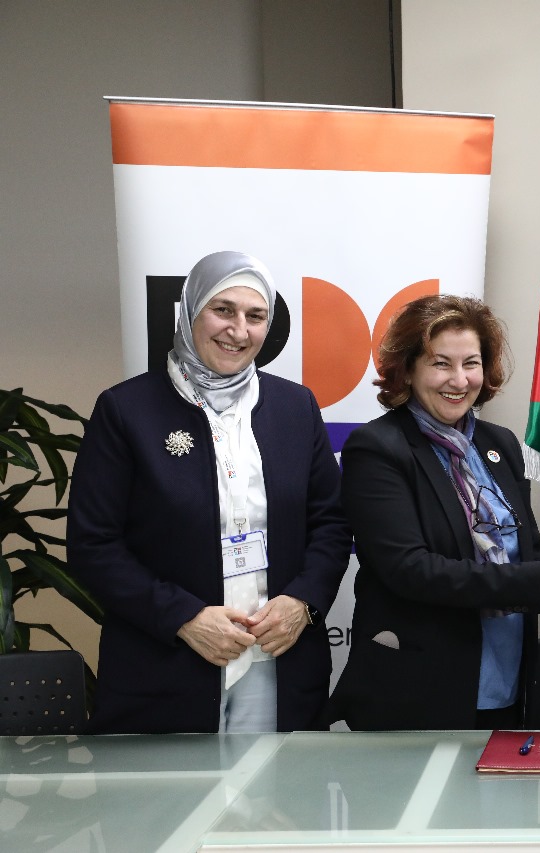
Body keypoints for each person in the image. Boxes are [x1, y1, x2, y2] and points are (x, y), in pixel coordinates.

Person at [68, 251, 351, 734]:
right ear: (191, 311)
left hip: (276, 659)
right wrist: (183, 618)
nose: (238, 330)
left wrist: (303, 602)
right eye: (223, 310)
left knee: (278, 785)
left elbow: (332, 522)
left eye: (255, 316)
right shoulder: (126, 410)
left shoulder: (295, 406)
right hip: (167, 664)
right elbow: (93, 545)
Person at [328, 295, 540, 730]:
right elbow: (410, 570)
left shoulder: (499, 444)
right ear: (408, 370)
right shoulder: (377, 448)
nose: (459, 380)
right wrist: (538, 579)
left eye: (471, 363)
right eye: (441, 364)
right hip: (418, 689)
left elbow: (527, 559)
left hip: (505, 683)